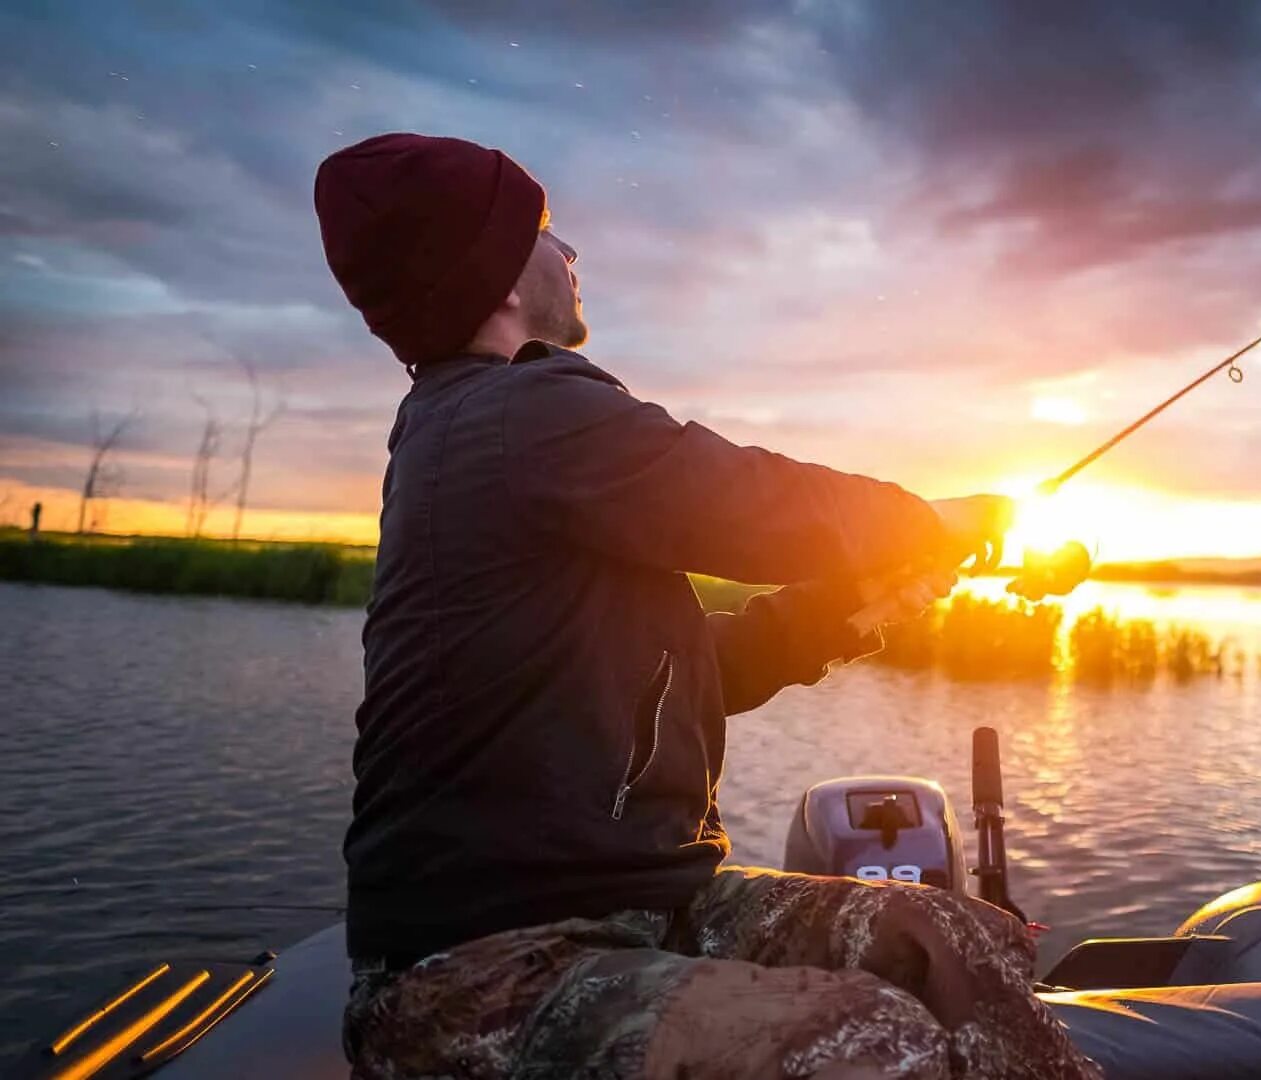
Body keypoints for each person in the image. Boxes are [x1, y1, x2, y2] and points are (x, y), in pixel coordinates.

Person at [313, 133, 1100, 1080]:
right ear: (496, 275)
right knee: (875, 1045)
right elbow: (744, 502)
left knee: (951, 939)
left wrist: (844, 611)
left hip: (648, 911)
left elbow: (680, 680)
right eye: (548, 231)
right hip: (481, 969)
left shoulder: (509, 443)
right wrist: (938, 522)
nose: (571, 254)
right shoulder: (512, 416)